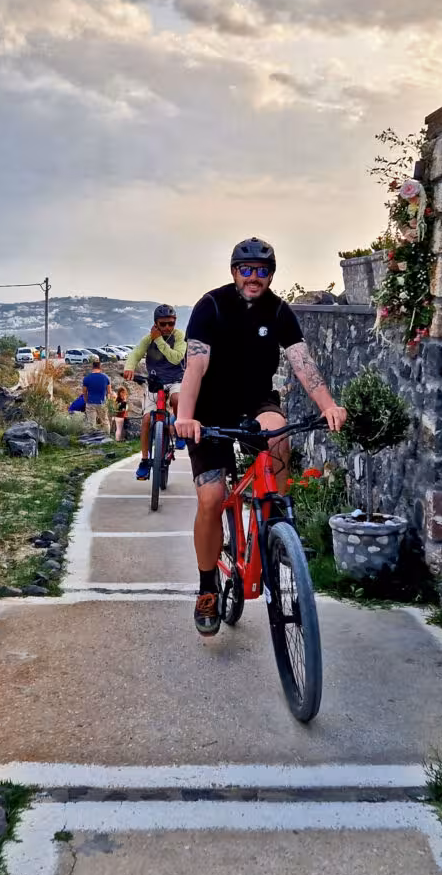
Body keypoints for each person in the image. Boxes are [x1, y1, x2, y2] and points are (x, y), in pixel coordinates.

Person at [174, 238, 347, 636]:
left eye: (262, 271)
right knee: (212, 498)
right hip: (209, 411)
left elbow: (303, 363)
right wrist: (185, 417)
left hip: (256, 401)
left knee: (278, 438)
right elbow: (196, 364)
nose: (254, 278)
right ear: (234, 271)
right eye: (246, 270)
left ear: (271, 274)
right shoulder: (211, 306)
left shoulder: (280, 311)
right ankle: (207, 588)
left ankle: (276, 528)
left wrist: (328, 406)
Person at [124, 303, 188, 480]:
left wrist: (159, 340)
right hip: (155, 382)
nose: (168, 327)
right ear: (155, 324)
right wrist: (129, 367)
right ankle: (144, 460)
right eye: (163, 324)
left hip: (176, 380)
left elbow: (176, 358)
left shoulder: (179, 336)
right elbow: (136, 353)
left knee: (177, 399)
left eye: (171, 323)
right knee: (146, 420)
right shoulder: (148, 339)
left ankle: (179, 430)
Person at [81, 358, 111, 435]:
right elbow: (109, 392)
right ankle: (108, 437)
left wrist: (86, 400)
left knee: (91, 423)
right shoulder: (106, 377)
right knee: (105, 422)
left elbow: (84, 392)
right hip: (102, 402)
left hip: (91, 402)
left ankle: (93, 439)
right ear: (100, 367)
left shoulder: (87, 378)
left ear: (92, 367)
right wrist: (108, 402)